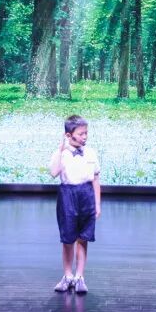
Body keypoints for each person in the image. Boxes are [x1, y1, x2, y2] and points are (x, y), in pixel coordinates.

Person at [48, 114, 101, 295]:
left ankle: (79, 277)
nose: (85, 136)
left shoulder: (91, 152)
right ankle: (67, 275)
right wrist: (60, 148)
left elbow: (96, 179)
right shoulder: (61, 153)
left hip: (86, 194)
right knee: (68, 238)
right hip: (67, 195)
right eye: (81, 134)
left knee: (83, 237)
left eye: (86, 133)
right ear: (69, 135)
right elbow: (53, 172)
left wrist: (97, 204)